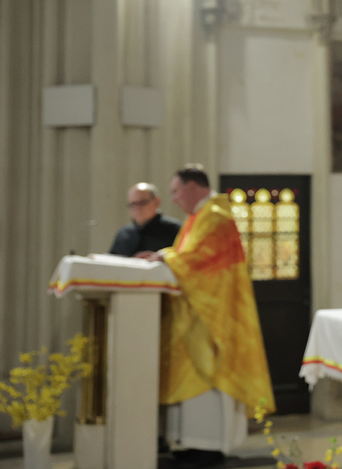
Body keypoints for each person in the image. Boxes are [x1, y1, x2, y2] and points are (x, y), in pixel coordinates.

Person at [135, 165, 274, 468]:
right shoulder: (198, 217)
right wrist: (165, 257)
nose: (173, 199)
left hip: (212, 319)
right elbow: (187, 256)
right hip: (194, 315)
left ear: (193, 186)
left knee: (207, 384)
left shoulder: (216, 216)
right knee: (190, 386)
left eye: (175, 191)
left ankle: (209, 448)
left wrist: (163, 256)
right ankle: (190, 445)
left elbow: (200, 260)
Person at [108, 183, 182, 257]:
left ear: (157, 201)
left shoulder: (175, 230)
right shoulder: (124, 234)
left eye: (142, 202)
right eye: (133, 204)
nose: (138, 208)